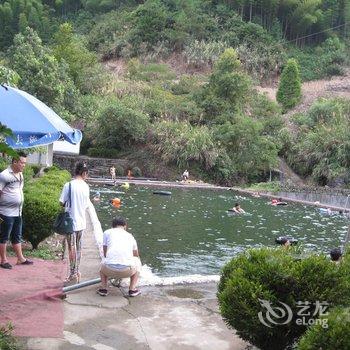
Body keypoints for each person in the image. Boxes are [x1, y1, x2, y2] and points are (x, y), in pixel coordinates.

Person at [0, 152, 33, 269]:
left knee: (17, 235)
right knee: (3, 236)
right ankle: (3, 260)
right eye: (22, 163)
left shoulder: (20, 175)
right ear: (14, 162)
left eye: (25, 163)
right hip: (5, 212)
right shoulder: (4, 175)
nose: (24, 165)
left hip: (18, 211)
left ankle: (20, 258)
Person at [59, 162, 90, 284]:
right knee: (79, 248)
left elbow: (61, 202)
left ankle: (73, 274)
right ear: (83, 173)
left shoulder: (69, 185)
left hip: (70, 223)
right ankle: (77, 271)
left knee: (71, 247)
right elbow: (87, 205)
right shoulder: (86, 186)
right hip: (82, 222)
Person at [98, 217, 141, 297]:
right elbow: (136, 254)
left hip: (108, 270)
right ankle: (132, 289)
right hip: (127, 271)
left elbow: (105, 253)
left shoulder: (107, 232)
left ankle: (104, 289)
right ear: (125, 226)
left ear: (112, 226)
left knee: (104, 261)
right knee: (137, 261)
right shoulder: (130, 236)